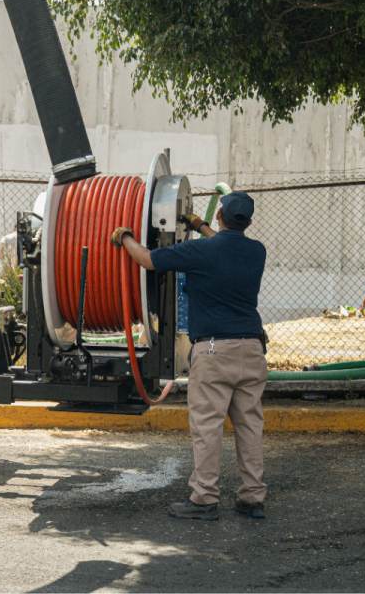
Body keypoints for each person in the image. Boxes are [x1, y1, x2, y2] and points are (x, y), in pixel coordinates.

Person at [112, 191, 268, 521]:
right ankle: (252, 498)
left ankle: (204, 499)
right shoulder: (256, 251)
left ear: (222, 216)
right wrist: (198, 224)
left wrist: (124, 237)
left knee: (207, 426)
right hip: (252, 349)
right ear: (248, 222)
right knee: (250, 425)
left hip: (214, 352)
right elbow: (224, 244)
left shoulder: (201, 251)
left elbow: (148, 259)